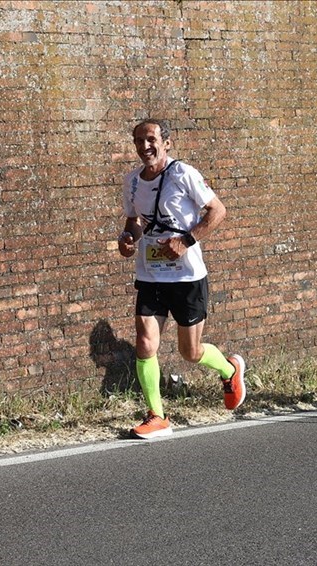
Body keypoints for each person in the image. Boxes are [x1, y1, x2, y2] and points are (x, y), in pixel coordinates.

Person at [118, 119, 246, 439]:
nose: (144, 147)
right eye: (138, 141)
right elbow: (134, 220)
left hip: (187, 276)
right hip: (150, 275)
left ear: (167, 143)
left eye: (150, 140)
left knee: (190, 352)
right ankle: (156, 416)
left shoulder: (182, 174)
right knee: (145, 342)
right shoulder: (132, 181)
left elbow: (217, 211)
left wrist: (185, 241)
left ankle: (230, 371)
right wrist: (127, 237)